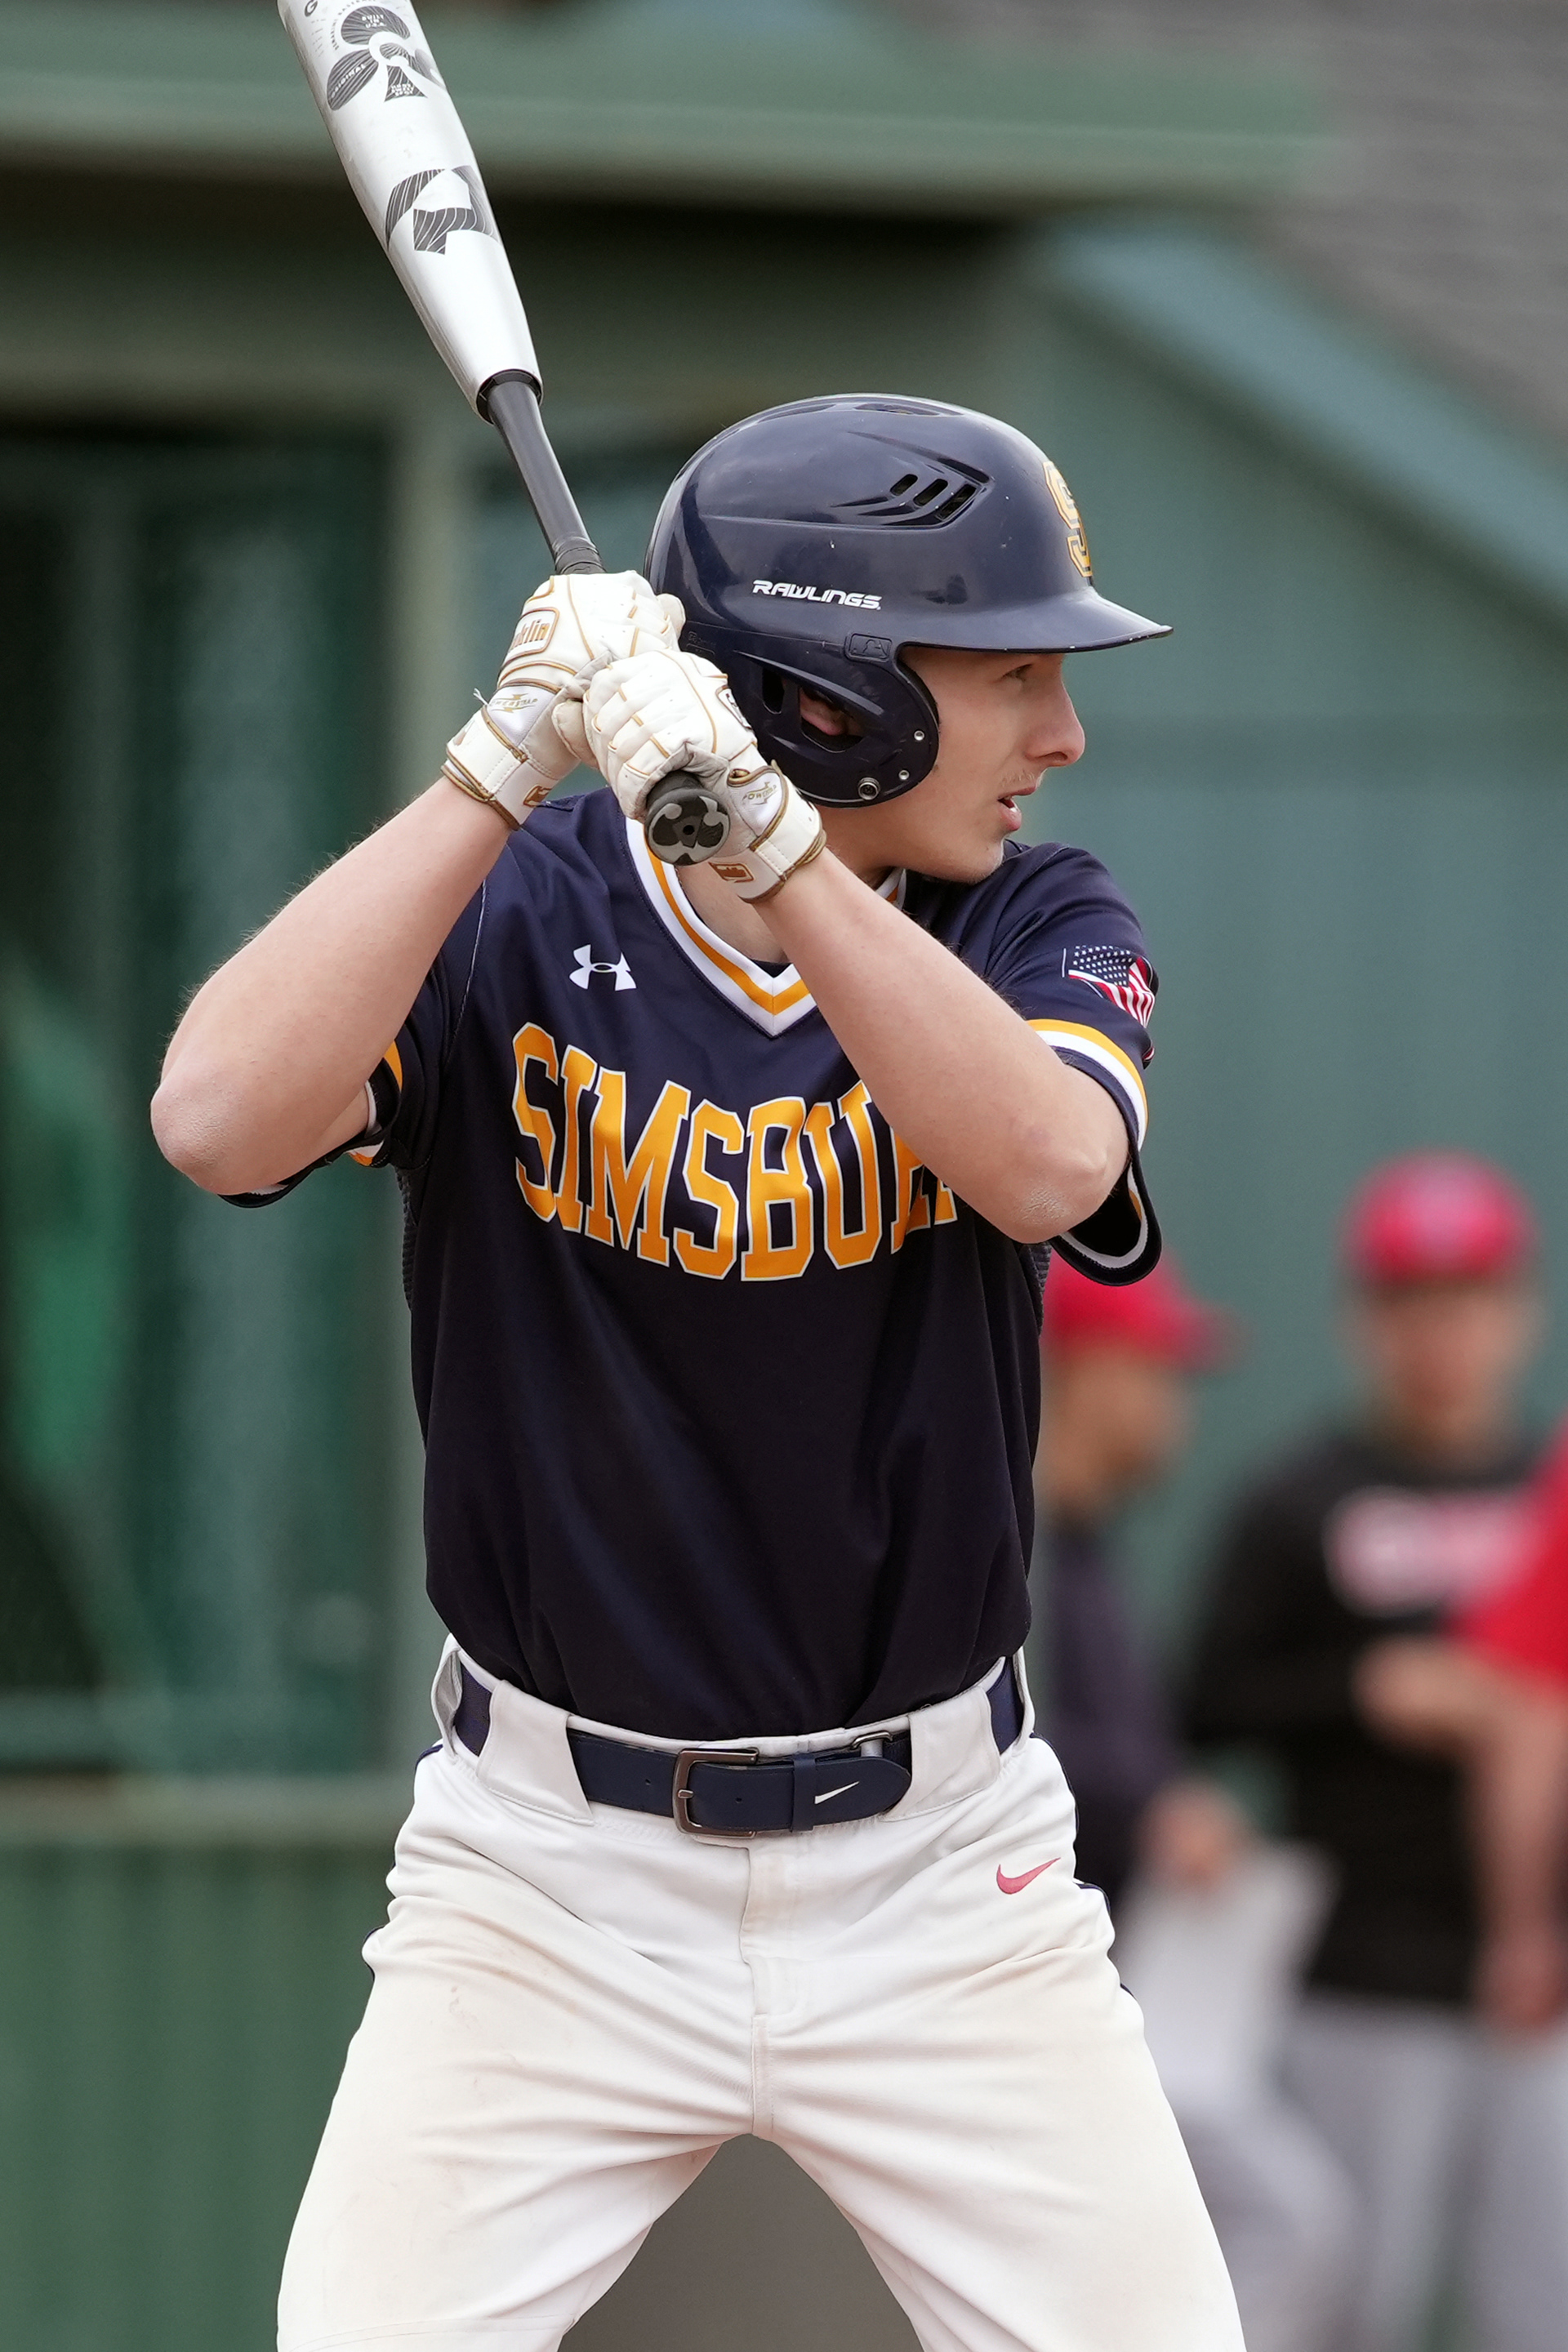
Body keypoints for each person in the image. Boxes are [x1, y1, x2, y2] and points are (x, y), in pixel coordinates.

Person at [151, 396, 1242, 2352]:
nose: (1062, 732)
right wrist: (499, 764)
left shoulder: (1033, 914)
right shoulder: (517, 911)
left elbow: (1046, 1166)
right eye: (1010, 675)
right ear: (838, 692)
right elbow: (216, 1119)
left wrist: (777, 846)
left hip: (945, 1875)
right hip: (546, 1878)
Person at [1186, 1151, 1568, 2352]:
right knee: (1360, 2309)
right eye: (1413, 1301)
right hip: (1364, 1972)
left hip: (1546, 1993)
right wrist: (1361, 1689)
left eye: (1469, 1299)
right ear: (1366, 1318)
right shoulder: (1300, 1499)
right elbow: (1202, 1702)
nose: (1443, 1332)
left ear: (1520, 1312)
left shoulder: (1553, 1492)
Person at [1036, 1259, 1357, 2352]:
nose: (1174, 1401)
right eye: (1156, 1369)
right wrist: (1154, 1802)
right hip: (1038, 1995)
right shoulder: (1011, 1542)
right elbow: (991, 1740)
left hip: (1129, 1986)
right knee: (1292, 2226)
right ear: (1082, 1371)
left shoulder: (1081, 1542)